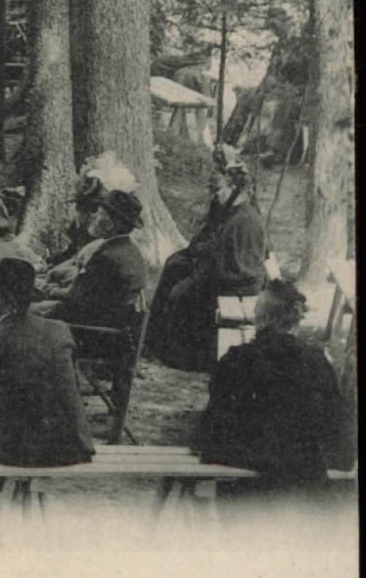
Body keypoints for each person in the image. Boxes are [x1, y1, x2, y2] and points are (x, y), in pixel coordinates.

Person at [193, 280, 351, 499]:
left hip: (251, 472)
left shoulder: (238, 359)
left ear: (263, 318)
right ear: (295, 321)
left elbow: (212, 426)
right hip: (305, 475)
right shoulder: (317, 361)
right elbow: (336, 424)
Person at [0, 258, 95, 500]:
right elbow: (75, 386)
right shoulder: (60, 329)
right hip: (71, 447)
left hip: (24, 451)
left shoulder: (2, 335)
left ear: (1, 297)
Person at [146, 148, 268, 372]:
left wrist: (192, 282)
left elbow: (230, 268)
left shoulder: (242, 220)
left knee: (182, 293)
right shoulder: (236, 214)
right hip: (231, 278)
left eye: (220, 190)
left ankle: (183, 355)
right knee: (177, 267)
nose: (216, 195)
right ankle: (154, 339)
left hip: (236, 287)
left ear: (234, 188)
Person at [34, 189, 150, 352]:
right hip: (109, 326)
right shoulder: (129, 250)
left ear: (110, 224)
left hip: (92, 333)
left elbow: (75, 299)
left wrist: (48, 290)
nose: (93, 216)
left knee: (23, 313)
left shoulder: (106, 257)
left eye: (99, 213)